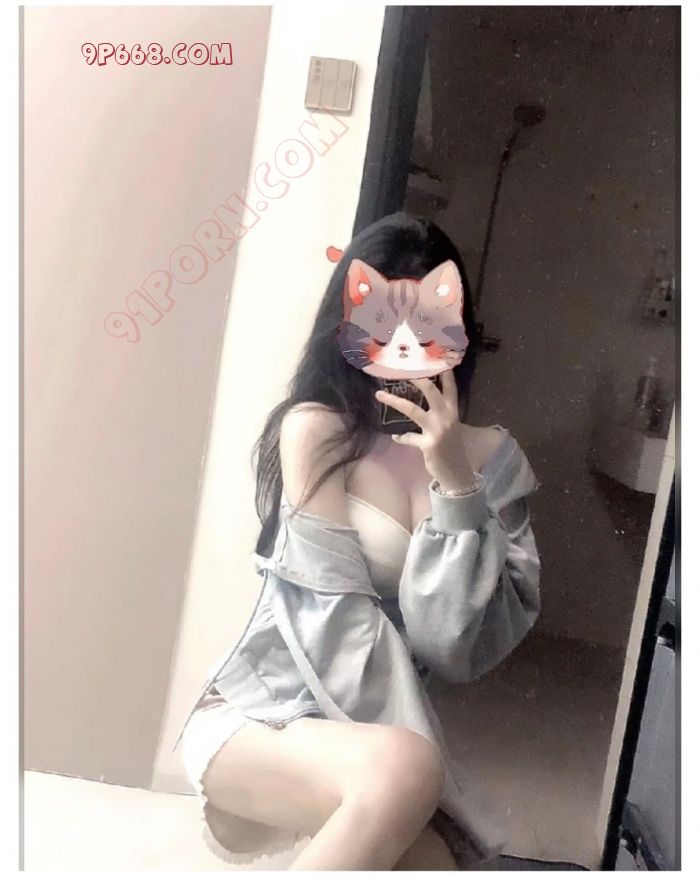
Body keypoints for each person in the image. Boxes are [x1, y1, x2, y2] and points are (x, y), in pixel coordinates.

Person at [174, 212, 542, 870]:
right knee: (410, 773)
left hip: (375, 744)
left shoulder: (496, 462)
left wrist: (456, 483)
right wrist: (432, 779)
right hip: (267, 712)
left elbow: (456, 650)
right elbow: (333, 626)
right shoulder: (317, 431)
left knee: (434, 858)